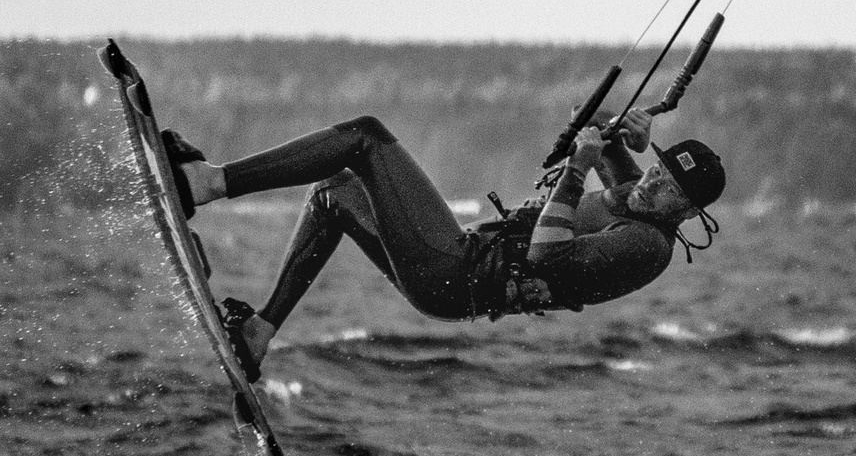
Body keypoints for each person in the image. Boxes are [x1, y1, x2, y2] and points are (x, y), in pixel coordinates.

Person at [159, 108, 724, 378]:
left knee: (365, 137)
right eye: (660, 168)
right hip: (458, 261)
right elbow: (590, 124)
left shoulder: (647, 246)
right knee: (335, 190)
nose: (654, 182)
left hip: (458, 274)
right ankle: (258, 334)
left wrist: (577, 171)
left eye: (671, 187)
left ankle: (209, 183)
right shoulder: (635, 191)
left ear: (689, 210)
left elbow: (545, 257)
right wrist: (629, 123)